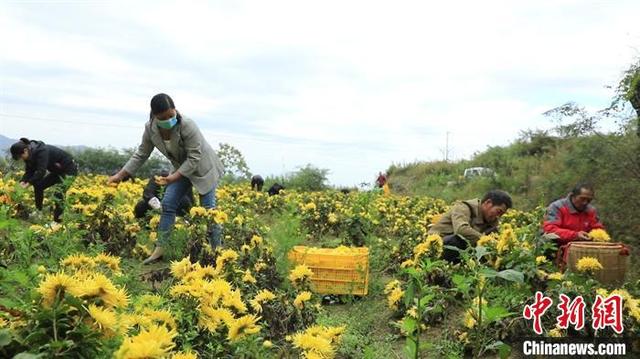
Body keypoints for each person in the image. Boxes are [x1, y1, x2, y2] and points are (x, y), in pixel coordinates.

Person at [108, 93, 225, 264]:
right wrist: (120, 175)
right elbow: (141, 154)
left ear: (175, 110)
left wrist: (172, 178)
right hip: (180, 168)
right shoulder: (150, 129)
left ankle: (218, 255)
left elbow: (194, 157)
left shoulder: (187, 125)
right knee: (168, 204)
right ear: (155, 116)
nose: (170, 119)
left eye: (172, 115)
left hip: (203, 168)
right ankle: (159, 251)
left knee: (209, 211)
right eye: (164, 117)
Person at [429, 190, 512, 263]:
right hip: (435, 247)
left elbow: (496, 242)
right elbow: (461, 230)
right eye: (498, 211)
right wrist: (487, 241)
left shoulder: (492, 222)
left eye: (501, 214)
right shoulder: (463, 207)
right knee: (458, 240)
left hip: (461, 253)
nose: (498, 217)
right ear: (488, 203)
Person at [10, 138, 78, 223]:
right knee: (38, 185)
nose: (21, 159)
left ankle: (57, 221)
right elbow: (29, 171)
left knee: (59, 193)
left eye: (20, 156)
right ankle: (39, 212)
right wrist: (22, 181)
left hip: (69, 170)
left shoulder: (42, 151)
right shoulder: (29, 155)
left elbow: (41, 172)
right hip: (57, 171)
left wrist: (28, 184)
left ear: (25, 150)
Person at [541, 183, 604, 247]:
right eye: (582, 199)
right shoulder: (557, 207)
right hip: (557, 246)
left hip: (582, 247)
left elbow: (597, 229)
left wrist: (596, 236)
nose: (585, 202)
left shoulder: (591, 210)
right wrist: (575, 235)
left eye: (589, 200)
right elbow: (550, 230)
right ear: (572, 196)